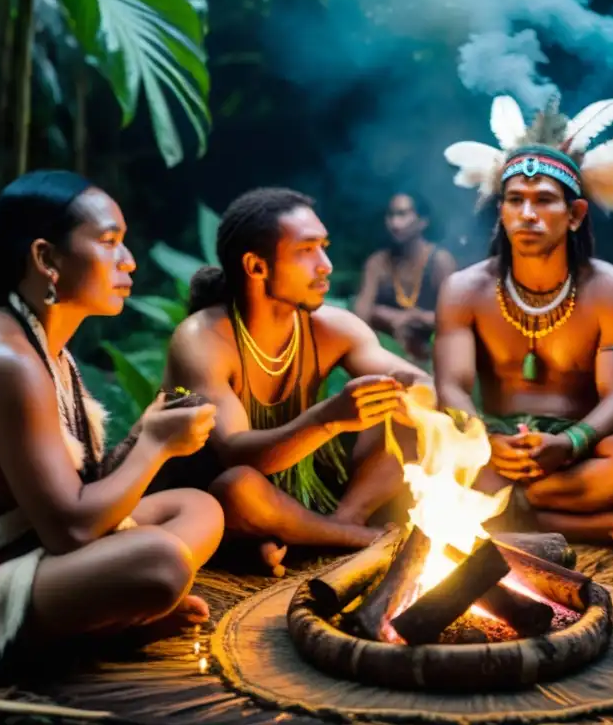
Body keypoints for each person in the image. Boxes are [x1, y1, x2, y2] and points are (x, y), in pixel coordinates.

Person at [0, 170, 223, 689]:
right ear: (46, 259)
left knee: (198, 507)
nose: (128, 261)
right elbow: (71, 530)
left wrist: (142, 433)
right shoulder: (3, 358)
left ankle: (103, 612)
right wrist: (154, 445)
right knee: (159, 563)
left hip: (33, 545)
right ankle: (97, 622)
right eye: (109, 242)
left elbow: (75, 490)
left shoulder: (40, 340)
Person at [437, 95, 613, 550]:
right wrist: (486, 440)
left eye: (544, 200)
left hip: (576, 456)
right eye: (515, 200)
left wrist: (566, 446)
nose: (527, 214)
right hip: (492, 452)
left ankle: (523, 510)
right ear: (501, 210)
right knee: (415, 437)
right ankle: (561, 517)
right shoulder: (464, 290)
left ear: (575, 214)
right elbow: (451, 387)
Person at [161, 187, 430, 573]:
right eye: (306, 251)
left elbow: (423, 387)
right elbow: (237, 453)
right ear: (256, 267)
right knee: (237, 488)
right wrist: (330, 418)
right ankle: (362, 539)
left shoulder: (332, 327)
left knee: (410, 421)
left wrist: (412, 389)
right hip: (221, 494)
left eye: (324, 247)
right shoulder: (202, 339)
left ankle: (337, 525)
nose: (326, 265)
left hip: (310, 491)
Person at [353, 193, 456, 364]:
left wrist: (415, 318)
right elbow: (359, 316)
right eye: (391, 215)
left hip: (434, 358)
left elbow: (456, 319)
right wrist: (387, 317)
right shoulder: (378, 262)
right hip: (388, 357)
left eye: (402, 214)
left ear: (423, 221)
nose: (394, 223)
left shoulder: (440, 261)